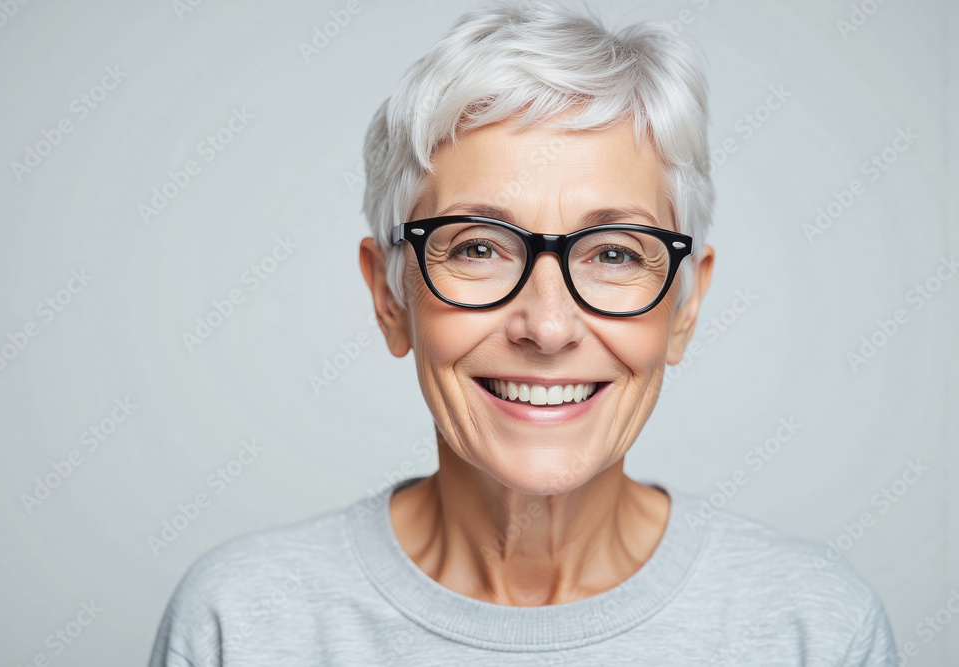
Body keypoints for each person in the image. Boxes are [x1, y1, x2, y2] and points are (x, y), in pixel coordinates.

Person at [149, 3, 898, 664]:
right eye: (478, 246)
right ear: (389, 294)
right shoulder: (239, 626)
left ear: (686, 305)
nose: (546, 324)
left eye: (613, 254)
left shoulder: (815, 630)